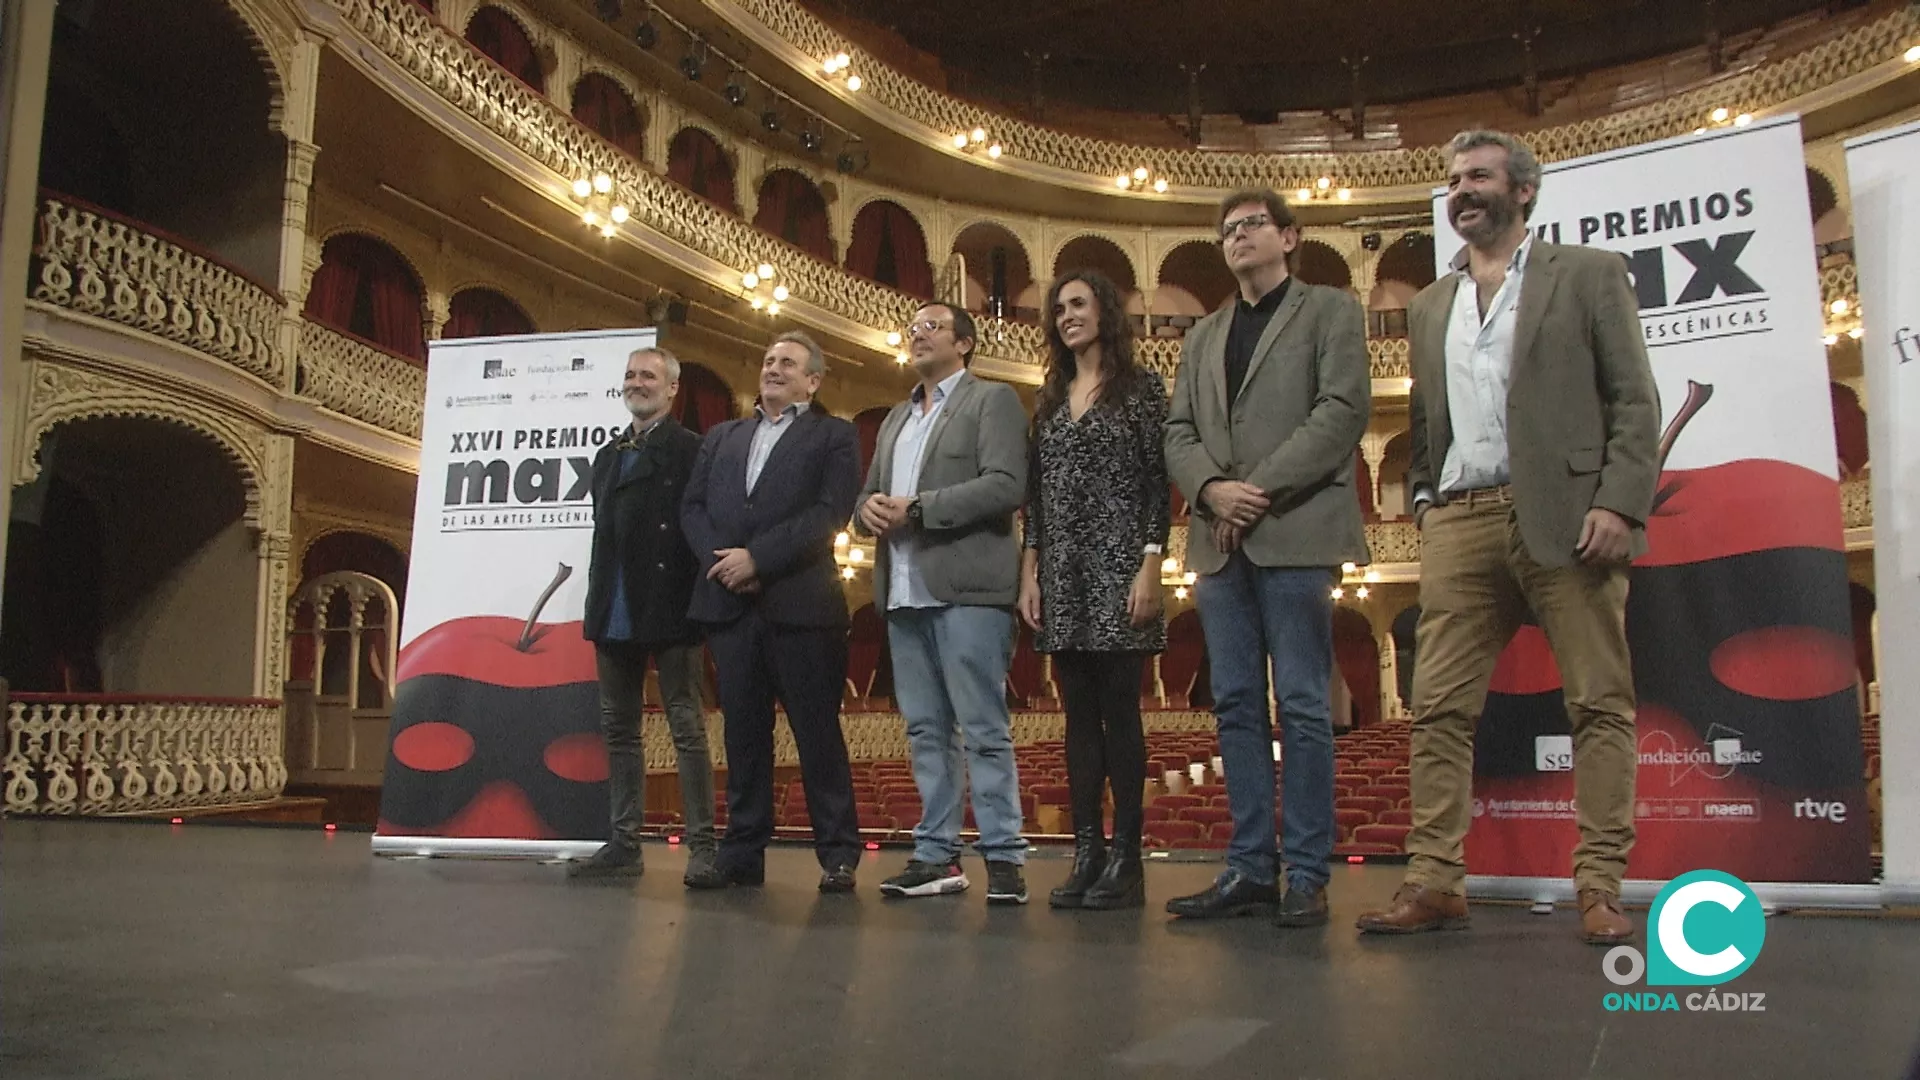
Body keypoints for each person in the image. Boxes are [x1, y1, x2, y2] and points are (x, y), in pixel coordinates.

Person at [1357, 130, 1659, 944]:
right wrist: (1423, 499)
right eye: (1453, 178)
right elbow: (1426, 420)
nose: (1463, 189)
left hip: (1565, 514)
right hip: (1459, 520)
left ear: (1523, 192)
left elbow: (1633, 400)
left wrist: (1621, 505)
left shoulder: (1588, 275)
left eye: (1480, 176)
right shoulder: (1429, 305)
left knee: (1598, 703)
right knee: (1439, 712)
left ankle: (1599, 886)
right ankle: (1434, 882)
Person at [1163, 188, 1371, 927]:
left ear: (1290, 237)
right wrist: (1214, 490)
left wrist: (1256, 490)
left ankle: (1308, 874)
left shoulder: (1331, 311)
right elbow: (1179, 432)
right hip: (1219, 543)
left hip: (1296, 531)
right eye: (1227, 231)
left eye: (1252, 225)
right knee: (1237, 708)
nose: (1238, 237)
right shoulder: (1202, 336)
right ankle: (1250, 866)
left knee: (1306, 706)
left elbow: (1342, 411)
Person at [856, 301, 1031, 905]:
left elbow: (1007, 484)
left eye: (930, 327)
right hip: (902, 591)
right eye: (912, 329)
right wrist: (869, 511)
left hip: (969, 590)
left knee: (983, 727)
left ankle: (1004, 857)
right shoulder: (894, 420)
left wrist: (919, 508)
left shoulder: (992, 401)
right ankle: (936, 855)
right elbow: (869, 497)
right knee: (926, 730)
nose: (916, 336)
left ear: (965, 343)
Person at [682, 330, 864, 893]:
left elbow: (829, 513)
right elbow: (692, 506)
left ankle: (837, 853)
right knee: (743, 734)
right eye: (767, 360)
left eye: (788, 362)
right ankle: (743, 850)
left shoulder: (835, 436)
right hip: (730, 607)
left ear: (813, 381)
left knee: (816, 734)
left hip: (802, 607)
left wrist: (756, 558)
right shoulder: (722, 436)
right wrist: (723, 562)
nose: (773, 368)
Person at [1017, 270, 1168, 910]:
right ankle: (1087, 852)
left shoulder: (1141, 389)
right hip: (1064, 571)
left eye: (1078, 304)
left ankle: (1127, 858)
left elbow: (1160, 481)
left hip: (1121, 564)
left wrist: (1153, 563)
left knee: (1120, 713)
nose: (1067, 316)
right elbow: (1037, 495)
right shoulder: (1050, 397)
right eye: (1059, 309)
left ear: (1106, 311)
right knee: (1076, 716)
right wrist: (1031, 570)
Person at [569, 346, 722, 886]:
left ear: (672, 388)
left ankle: (704, 847)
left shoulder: (693, 451)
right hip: (612, 604)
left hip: (671, 601)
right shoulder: (608, 454)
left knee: (685, 726)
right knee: (618, 729)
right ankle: (624, 843)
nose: (637, 382)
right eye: (631, 375)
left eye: (648, 375)